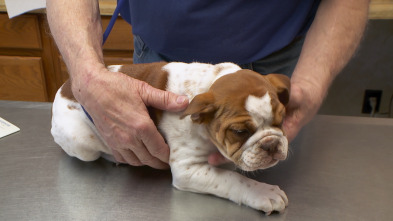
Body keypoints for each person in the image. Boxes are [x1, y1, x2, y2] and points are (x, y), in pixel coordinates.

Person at [46, 0, 370, 169]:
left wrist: (309, 83)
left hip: (275, 65)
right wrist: (88, 76)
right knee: (152, 165)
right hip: (153, 66)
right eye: (243, 129)